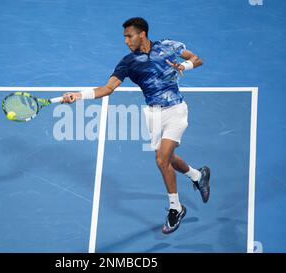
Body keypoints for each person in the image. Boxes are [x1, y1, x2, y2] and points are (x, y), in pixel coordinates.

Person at [61, 17, 210, 234]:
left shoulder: (168, 46)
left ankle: (175, 209)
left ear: (142, 34)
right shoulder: (128, 63)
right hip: (153, 115)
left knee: (161, 160)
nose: (126, 41)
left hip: (176, 109)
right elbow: (107, 88)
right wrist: (78, 95)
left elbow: (197, 59)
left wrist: (183, 65)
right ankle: (198, 175)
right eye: (124, 37)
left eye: (129, 36)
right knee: (167, 158)